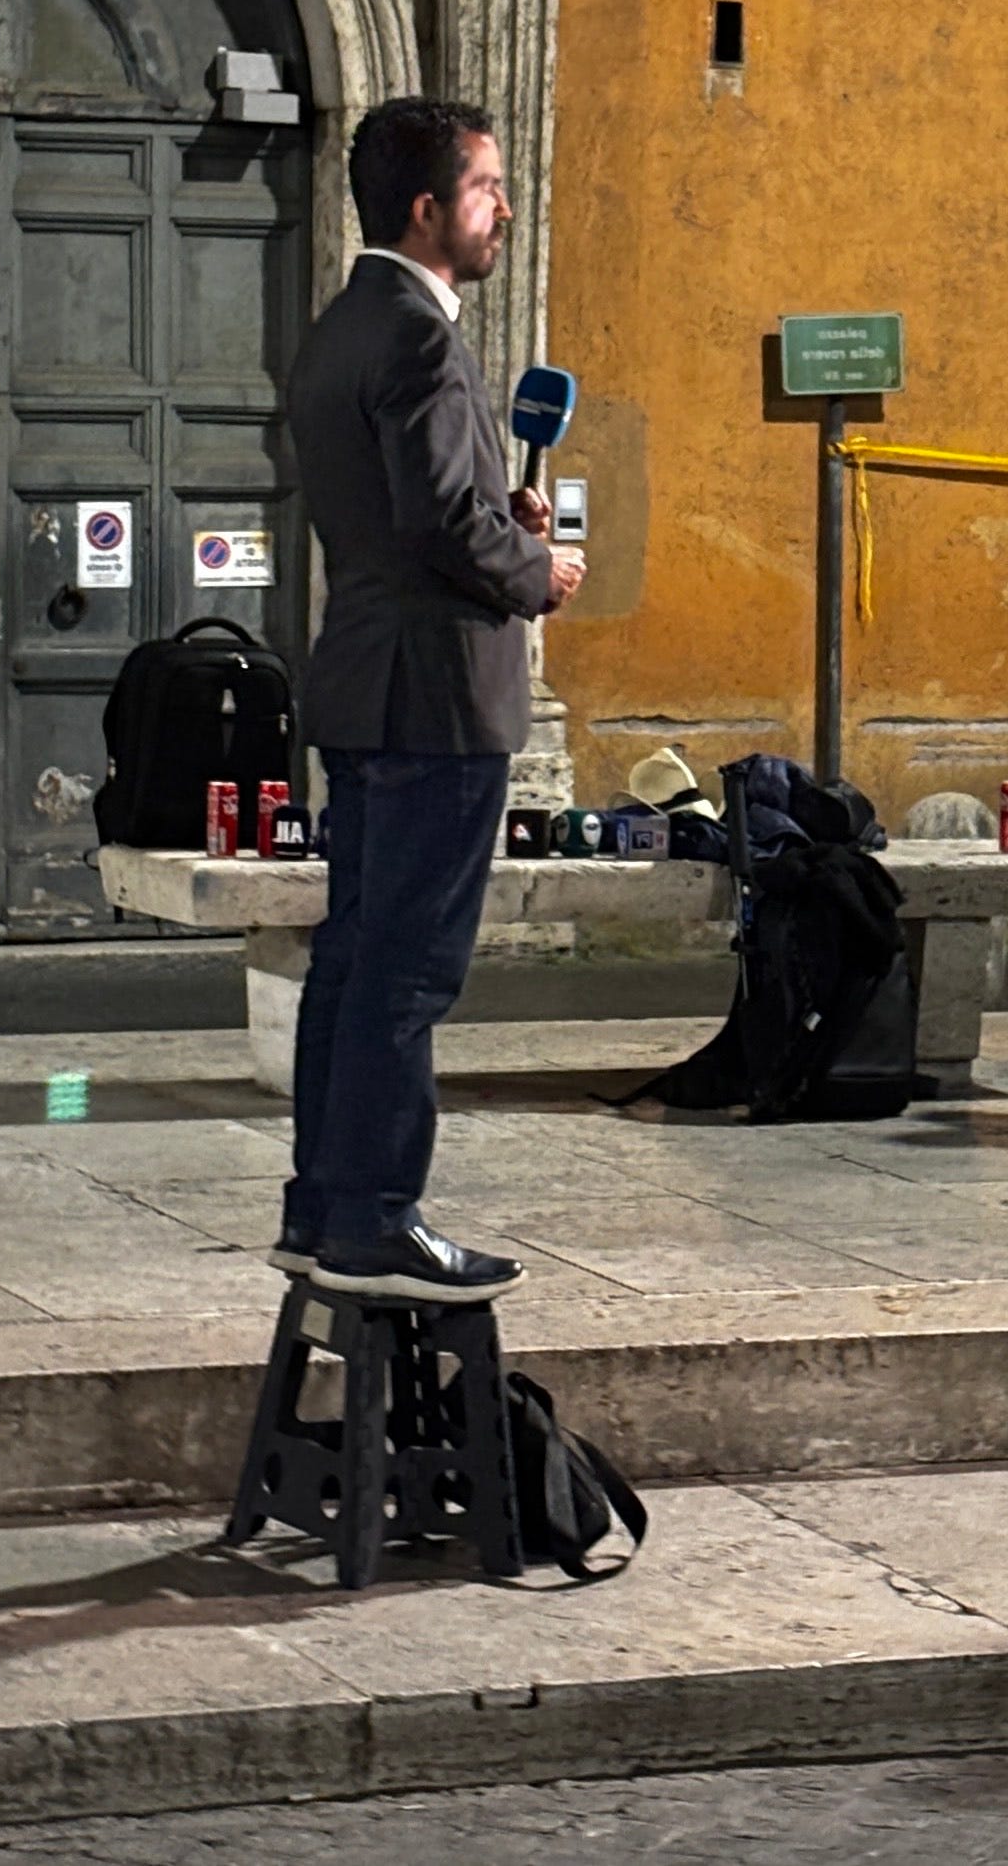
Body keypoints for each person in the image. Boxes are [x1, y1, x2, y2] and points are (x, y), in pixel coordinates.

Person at [273, 97, 585, 1303]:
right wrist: (535, 570)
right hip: (434, 700)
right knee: (407, 974)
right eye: (486, 188)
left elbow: (405, 511)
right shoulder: (417, 338)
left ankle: (320, 1208)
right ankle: (378, 1219)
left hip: (366, 681)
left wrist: (495, 521)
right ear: (426, 208)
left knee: (353, 961)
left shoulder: (340, 329)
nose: (503, 209)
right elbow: (443, 524)